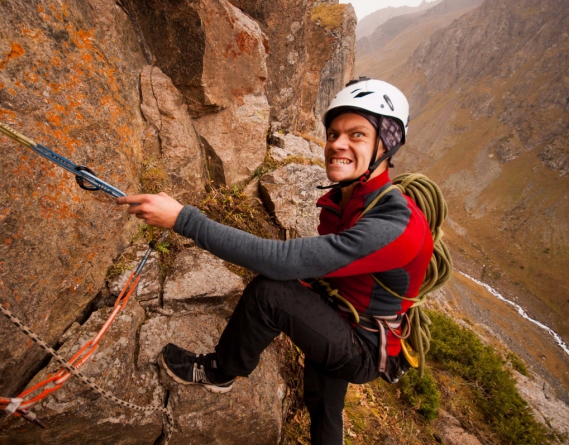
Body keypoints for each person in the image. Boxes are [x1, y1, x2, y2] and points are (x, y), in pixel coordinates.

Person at [117, 78, 434, 445]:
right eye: (333, 134)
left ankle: (220, 371)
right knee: (322, 402)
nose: (337, 145)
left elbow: (280, 262)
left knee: (271, 292)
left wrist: (183, 219)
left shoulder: (396, 226)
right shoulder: (351, 199)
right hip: (346, 319)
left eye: (357, 135)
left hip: (363, 347)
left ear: (387, 143)